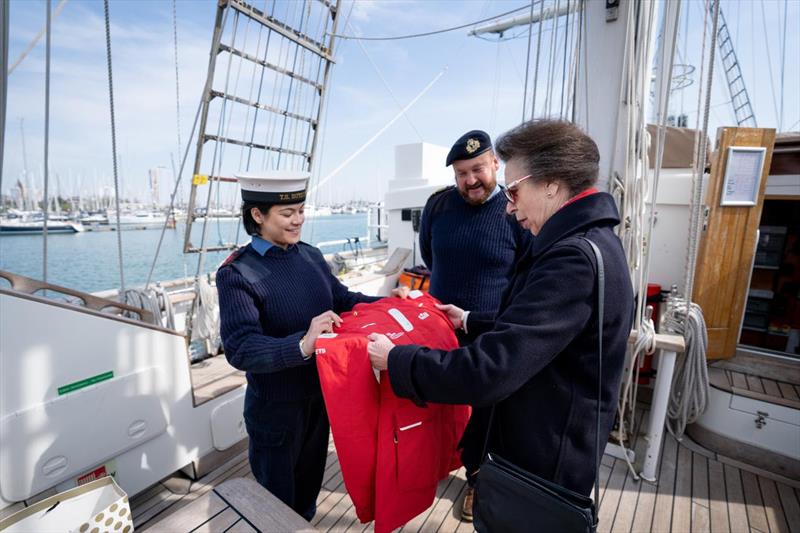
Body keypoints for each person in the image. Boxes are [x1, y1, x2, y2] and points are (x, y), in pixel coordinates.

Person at [367, 120, 634, 503]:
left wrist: (396, 360)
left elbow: (492, 370)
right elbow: (542, 331)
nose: (509, 207)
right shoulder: (595, 242)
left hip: (538, 470)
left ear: (552, 184)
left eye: (514, 190)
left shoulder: (571, 260)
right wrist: (471, 319)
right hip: (544, 446)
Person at [216, 171, 407, 521]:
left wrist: (390, 304)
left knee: (305, 499)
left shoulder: (310, 256)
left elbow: (343, 298)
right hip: (276, 413)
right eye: (287, 214)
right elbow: (241, 348)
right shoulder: (236, 274)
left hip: (320, 402)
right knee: (273, 509)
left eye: (301, 210)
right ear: (257, 215)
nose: (298, 219)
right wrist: (303, 344)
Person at [418, 129, 531, 521]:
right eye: (461, 173)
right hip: (438, 327)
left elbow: (527, 272)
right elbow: (430, 256)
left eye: (478, 169)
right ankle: (429, 464)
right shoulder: (437, 207)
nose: (470, 180)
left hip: (491, 331)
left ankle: (478, 476)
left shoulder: (516, 211)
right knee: (433, 401)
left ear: (495, 164)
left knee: (487, 411)